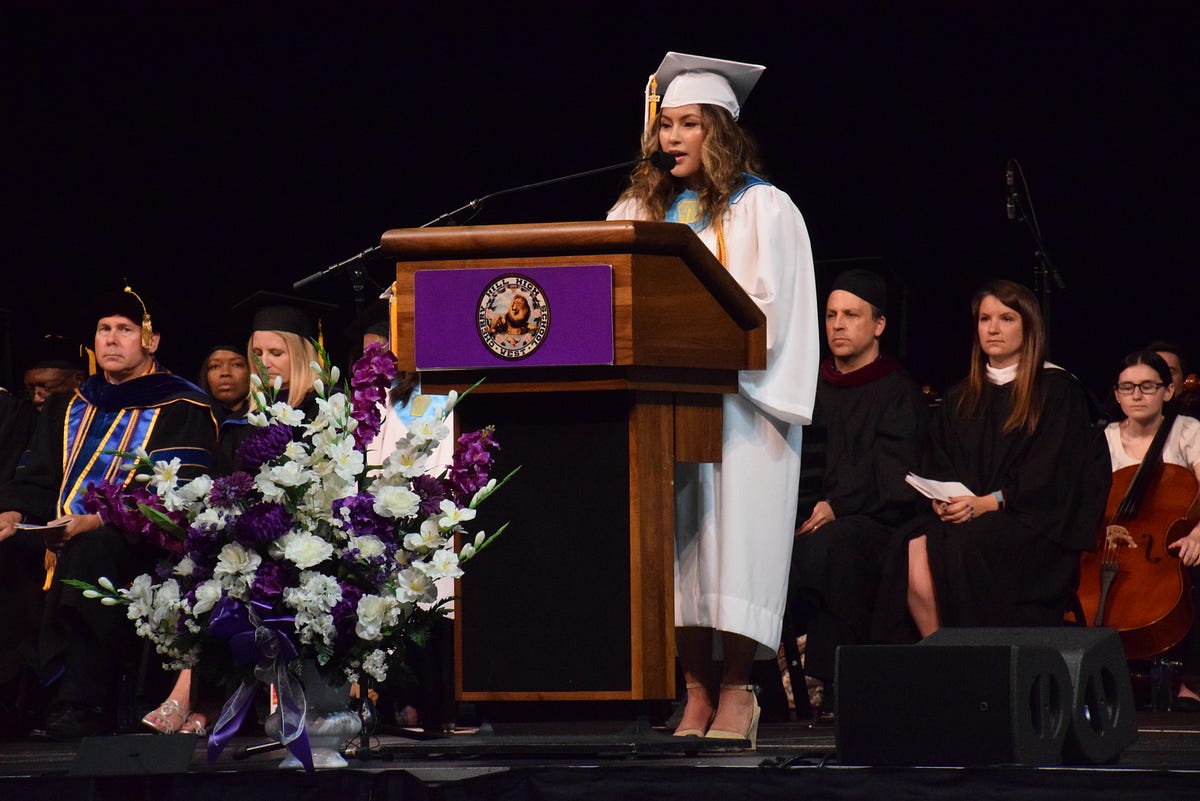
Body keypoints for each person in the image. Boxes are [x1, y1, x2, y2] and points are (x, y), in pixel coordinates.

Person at [607, 52, 819, 746]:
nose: (671, 137)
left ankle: (736, 688)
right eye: (664, 124)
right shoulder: (639, 209)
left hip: (739, 410)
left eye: (689, 124)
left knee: (734, 552)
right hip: (662, 408)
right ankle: (693, 691)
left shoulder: (767, 208)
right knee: (677, 555)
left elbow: (772, 313)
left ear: (720, 130)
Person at [0, 285, 218, 740]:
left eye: (125, 329)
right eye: (103, 330)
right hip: (58, 532)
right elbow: (39, 477)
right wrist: (15, 513)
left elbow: (177, 497)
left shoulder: (183, 405)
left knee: (92, 547)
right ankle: (13, 702)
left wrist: (96, 520)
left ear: (151, 342)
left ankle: (82, 703)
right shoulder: (69, 404)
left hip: (138, 542)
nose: (111, 340)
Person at [873, 279, 1109, 642]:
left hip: (1033, 525)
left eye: (1006, 318)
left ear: (1028, 326)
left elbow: (1053, 474)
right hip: (968, 515)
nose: (993, 328)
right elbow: (941, 459)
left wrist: (990, 502)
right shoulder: (961, 396)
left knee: (959, 547)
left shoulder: (1057, 392)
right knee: (910, 545)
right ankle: (943, 658)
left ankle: (973, 661)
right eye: (985, 319)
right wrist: (943, 501)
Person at [141, 303, 323, 735]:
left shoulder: (320, 415)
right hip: (248, 532)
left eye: (276, 353)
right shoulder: (246, 420)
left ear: (299, 356)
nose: (265, 363)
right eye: (257, 353)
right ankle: (198, 700)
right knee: (199, 568)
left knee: (235, 576)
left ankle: (192, 701)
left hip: (300, 537)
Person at [787, 269, 928, 695]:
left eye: (851, 315)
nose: (838, 325)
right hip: (812, 516)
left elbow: (895, 478)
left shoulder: (898, 392)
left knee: (836, 546)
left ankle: (835, 679)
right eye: (831, 315)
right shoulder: (808, 389)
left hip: (875, 521)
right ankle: (761, 681)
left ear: (879, 325)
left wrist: (838, 506)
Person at [1101, 350, 1200, 709]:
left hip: (1173, 545)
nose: (1137, 395)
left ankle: (1187, 679)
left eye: (1147, 386)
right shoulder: (1104, 439)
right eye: (1127, 387)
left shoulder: (1187, 431)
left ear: (1167, 392)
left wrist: (1198, 533)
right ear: (1116, 394)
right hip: (1113, 544)